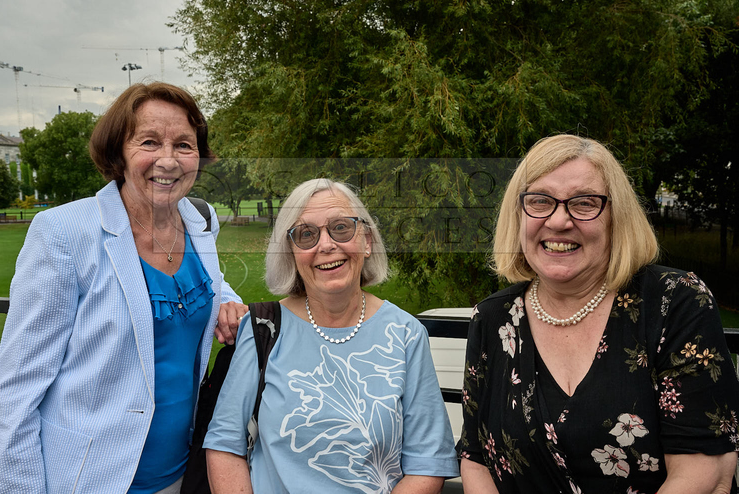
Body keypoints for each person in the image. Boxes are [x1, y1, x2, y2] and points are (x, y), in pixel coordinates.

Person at [0, 82, 247, 493]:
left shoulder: (201, 219)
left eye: (184, 144)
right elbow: (16, 394)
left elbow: (205, 283)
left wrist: (229, 303)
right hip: (95, 480)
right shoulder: (63, 232)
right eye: (149, 142)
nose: (169, 160)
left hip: (188, 473)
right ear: (118, 153)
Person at [458, 134, 739, 493]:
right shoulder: (493, 318)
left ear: (616, 217)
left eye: (584, 203)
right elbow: (476, 457)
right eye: (540, 201)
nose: (559, 221)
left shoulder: (675, 303)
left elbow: (705, 473)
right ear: (518, 215)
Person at [204, 178, 459, 493]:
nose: (325, 245)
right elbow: (224, 445)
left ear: (366, 241)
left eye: (341, 227)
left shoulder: (406, 335)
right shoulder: (262, 328)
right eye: (306, 234)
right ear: (292, 253)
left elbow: (427, 464)